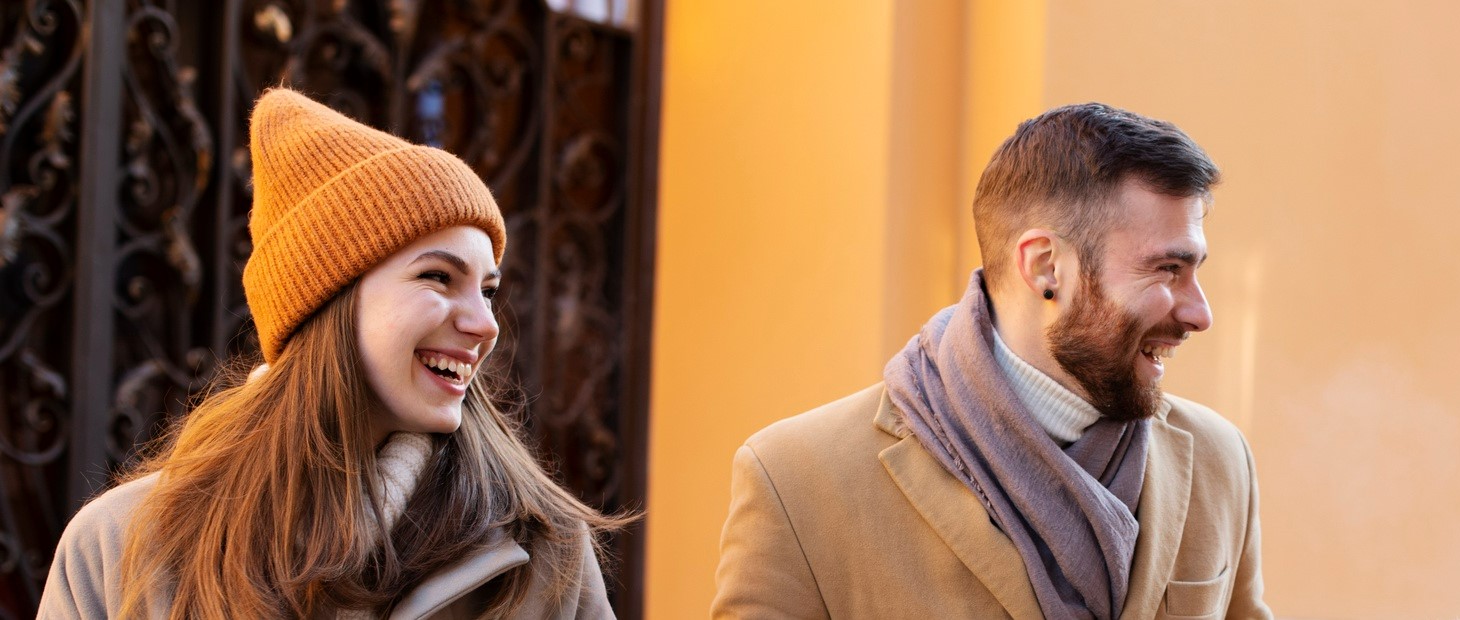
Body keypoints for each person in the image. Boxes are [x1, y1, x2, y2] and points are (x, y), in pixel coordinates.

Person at [38, 88, 626, 619]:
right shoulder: (121, 548)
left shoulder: (545, 550)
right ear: (328, 301)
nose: (485, 324)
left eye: (489, 290)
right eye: (439, 278)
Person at [712, 102, 1269, 619]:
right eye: (1167, 270)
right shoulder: (796, 481)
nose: (1200, 313)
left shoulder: (1223, 462)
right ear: (1047, 266)